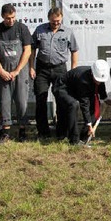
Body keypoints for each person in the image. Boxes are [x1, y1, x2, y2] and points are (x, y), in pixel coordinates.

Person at [29, 7, 79, 139]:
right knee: (41, 99)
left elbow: (74, 50)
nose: (55, 23)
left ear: (61, 18)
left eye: (58, 21)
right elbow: (32, 49)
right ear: (48, 19)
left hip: (60, 69)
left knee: (61, 100)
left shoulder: (68, 32)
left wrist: (73, 71)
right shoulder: (40, 30)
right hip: (42, 69)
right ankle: (43, 132)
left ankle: (61, 132)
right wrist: (31, 67)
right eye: (53, 21)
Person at [0, 3, 32, 144]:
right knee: (4, 102)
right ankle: (6, 132)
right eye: (8, 18)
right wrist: (1, 70)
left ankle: (22, 131)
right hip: (3, 72)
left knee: (21, 102)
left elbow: (27, 51)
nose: (11, 20)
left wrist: (17, 70)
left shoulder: (22, 29)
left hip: (20, 72)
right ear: (2, 16)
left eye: (13, 17)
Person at [53, 59, 109, 145]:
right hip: (62, 87)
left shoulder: (100, 77)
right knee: (73, 105)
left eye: (100, 81)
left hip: (76, 88)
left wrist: (105, 99)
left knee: (93, 109)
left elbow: (101, 88)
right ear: (92, 73)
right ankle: (74, 140)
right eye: (97, 80)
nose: (98, 82)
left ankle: (84, 137)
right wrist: (89, 124)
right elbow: (84, 104)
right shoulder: (83, 80)